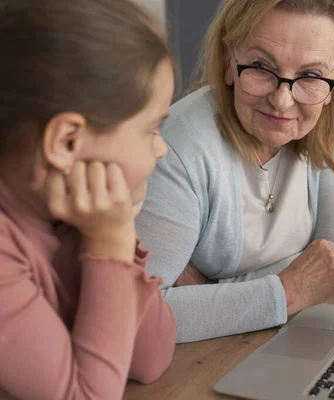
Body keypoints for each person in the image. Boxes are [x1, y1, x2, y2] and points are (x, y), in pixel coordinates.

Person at [136, 0, 334, 343]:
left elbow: (333, 265)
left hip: (270, 342)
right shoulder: (179, 145)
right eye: (260, 66)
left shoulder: (325, 127)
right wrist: (287, 292)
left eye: (312, 76)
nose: (283, 101)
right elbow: (140, 316)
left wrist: (212, 295)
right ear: (229, 60)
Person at [0, 0, 177, 398]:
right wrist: (109, 243)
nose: (161, 148)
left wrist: (118, 229)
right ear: (67, 141)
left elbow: (150, 358)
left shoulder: (71, 215)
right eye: (151, 129)